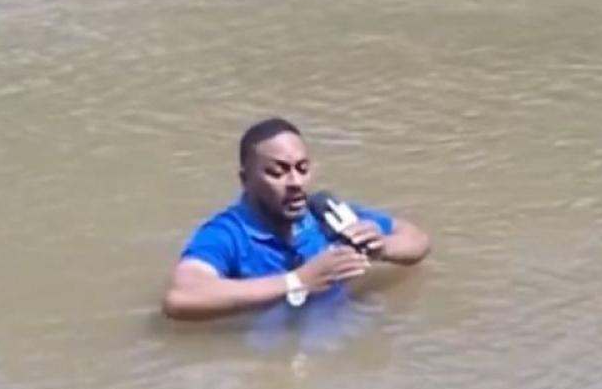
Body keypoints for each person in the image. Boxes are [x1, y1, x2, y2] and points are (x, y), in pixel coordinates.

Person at [162, 117, 430, 321]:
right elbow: (181, 297)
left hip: (338, 342)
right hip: (267, 356)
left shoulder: (326, 215)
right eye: (277, 172)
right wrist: (298, 282)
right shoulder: (227, 232)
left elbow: (417, 239)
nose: (295, 183)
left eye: (302, 169)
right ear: (246, 180)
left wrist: (382, 246)